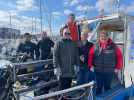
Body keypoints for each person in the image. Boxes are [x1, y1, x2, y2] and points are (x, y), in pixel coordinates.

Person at [88, 31, 123, 95]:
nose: (103, 38)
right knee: (98, 88)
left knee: (107, 87)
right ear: (99, 38)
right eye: (101, 36)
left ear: (107, 37)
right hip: (98, 72)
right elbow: (90, 55)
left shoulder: (113, 46)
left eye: (105, 36)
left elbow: (119, 56)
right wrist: (90, 65)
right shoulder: (95, 46)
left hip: (109, 72)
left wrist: (118, 68)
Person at [54, 26, 79, 90]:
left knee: (68, 87)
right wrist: (56, 67)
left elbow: (76, 55)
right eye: (66, 33)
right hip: (62, 71)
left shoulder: (73, 43)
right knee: (62, 89)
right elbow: (55, 56)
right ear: (62, 33)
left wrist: (77, 65)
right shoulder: (58, 43)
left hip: (70, 71)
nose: (67, 35)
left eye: (69, 33)